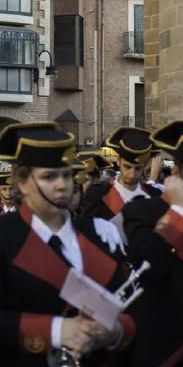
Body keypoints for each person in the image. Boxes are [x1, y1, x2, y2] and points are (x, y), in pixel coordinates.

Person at [0, 122, 136, 367]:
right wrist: (55, 330)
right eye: (49, 177)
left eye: (66, 175)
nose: (62, 185)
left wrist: (114, 333)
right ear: (22, 183)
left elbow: (131, 311)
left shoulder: (99, 235)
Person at [123, 120, 183, 366]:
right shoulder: (144, 211)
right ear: (177, 172)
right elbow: (146, 266)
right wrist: (177, 211)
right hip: (166, 349)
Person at [81, 127, 161, 220]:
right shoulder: (97, 195)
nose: (132, 174)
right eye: (127, 167)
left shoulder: (154, 196)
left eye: (137, 168)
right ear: (118, 161)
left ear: (145, 165)